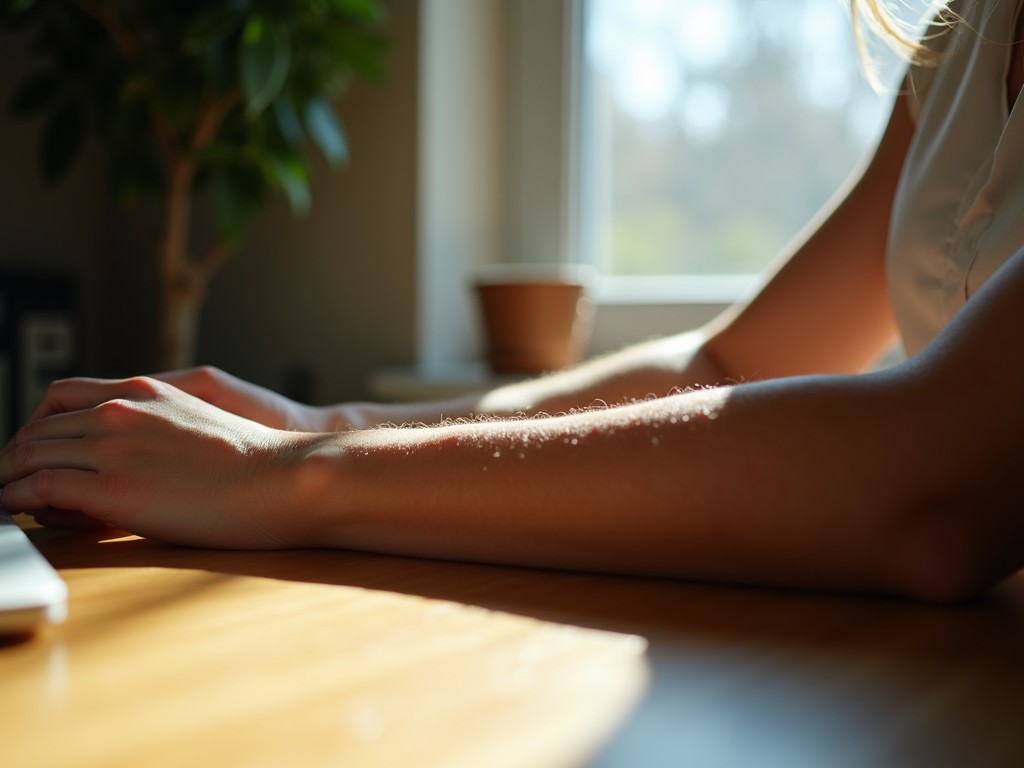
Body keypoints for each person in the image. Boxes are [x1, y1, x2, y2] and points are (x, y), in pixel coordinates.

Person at [1, 0, 1022, 602]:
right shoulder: (964, 36)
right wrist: (329, 422)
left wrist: (297, 475)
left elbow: (927, 486)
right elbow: (728, 369)